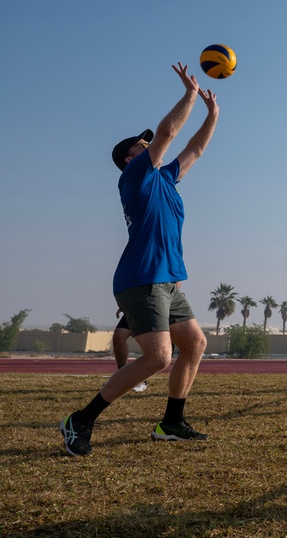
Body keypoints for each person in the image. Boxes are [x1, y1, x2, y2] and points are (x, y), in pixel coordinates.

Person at [60, 63, 217, 457]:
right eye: (140, 146)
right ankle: (80, 419)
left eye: (147, 145)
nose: (148, 147)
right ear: (129, 160)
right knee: (159, 357)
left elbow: (194, 148)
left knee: (195, 344)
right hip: (141, 279)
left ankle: (171, 422)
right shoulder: (133, 178)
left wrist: (212, 115)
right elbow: (167, 133)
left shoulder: (165, 178)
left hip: (167, 280)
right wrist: (189, 96)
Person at [111, 310, 148, 393]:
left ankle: (140, 380)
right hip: (134, 308)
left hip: (154, 307)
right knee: (119, 336)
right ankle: (122, 377)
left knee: (147, 342)